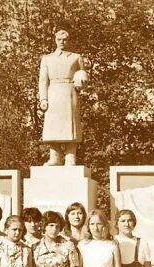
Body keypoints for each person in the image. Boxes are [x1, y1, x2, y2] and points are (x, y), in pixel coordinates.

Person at [38, 29, 87, 166]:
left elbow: (83, 75)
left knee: (71, 125)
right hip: (53, 93)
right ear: (55, 40)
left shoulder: (76, 57)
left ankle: (70, 157)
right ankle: (55, 157)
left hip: (69, 92)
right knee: (53, 125)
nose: (62, 42)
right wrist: (43, 99)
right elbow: (43, 81)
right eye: (59, 40)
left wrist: (82, 80)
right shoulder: (47, 59)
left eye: (64, 40)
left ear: (68, 41)